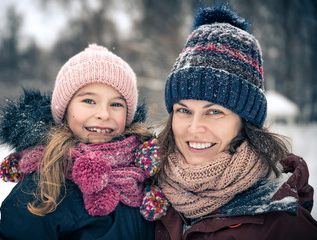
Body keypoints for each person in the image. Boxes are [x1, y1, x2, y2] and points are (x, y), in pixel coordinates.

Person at [135, 5, 317, 240]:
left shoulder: (282, 224)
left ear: (245, 121)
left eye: (214, 112)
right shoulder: (146, 194)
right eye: (184, 110)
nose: (194, 127)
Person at [0, 44, 154, 240]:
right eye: (89, 101)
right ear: (65, 109)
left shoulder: (147, 169)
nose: (103, 114)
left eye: (116, 104)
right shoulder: (44, 184)